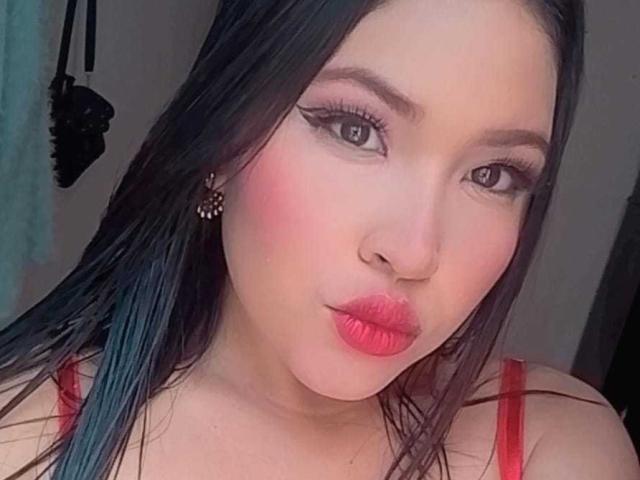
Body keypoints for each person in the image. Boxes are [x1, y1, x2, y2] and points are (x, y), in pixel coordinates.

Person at [1, 0, 638, 479]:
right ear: (223, 137)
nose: (412, 251)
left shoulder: (554, 448)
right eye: (355, 129)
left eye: (493, 175)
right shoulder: (21, 441)